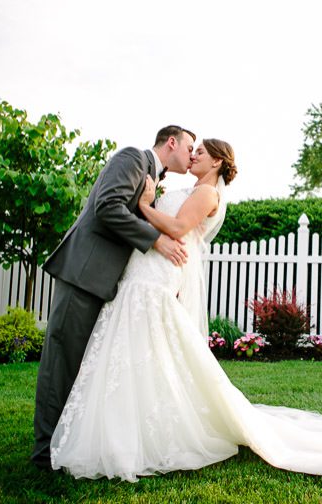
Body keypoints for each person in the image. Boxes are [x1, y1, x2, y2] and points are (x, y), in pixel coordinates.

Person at [50, 139, 322, 481]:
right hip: (142, 271)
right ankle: (123, 426)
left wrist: (144, 206)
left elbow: (175, 228)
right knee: (133, 352)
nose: (193, 157)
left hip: (155, 275)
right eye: (192, 150)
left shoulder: (206, 193)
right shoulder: (184, 188)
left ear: (216, 161)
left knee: (142, 348)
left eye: (199, 152)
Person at [31, 125, 196, 471]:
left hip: (103, 283)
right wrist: (156, 240)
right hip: (83, 274)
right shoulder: (133, 158)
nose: (192, 154)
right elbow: (107, 206)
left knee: (83, 368)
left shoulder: (151, 175)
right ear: (171, 142)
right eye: (189, 146)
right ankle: (45, 451)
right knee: (61, 363)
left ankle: (66, 440)